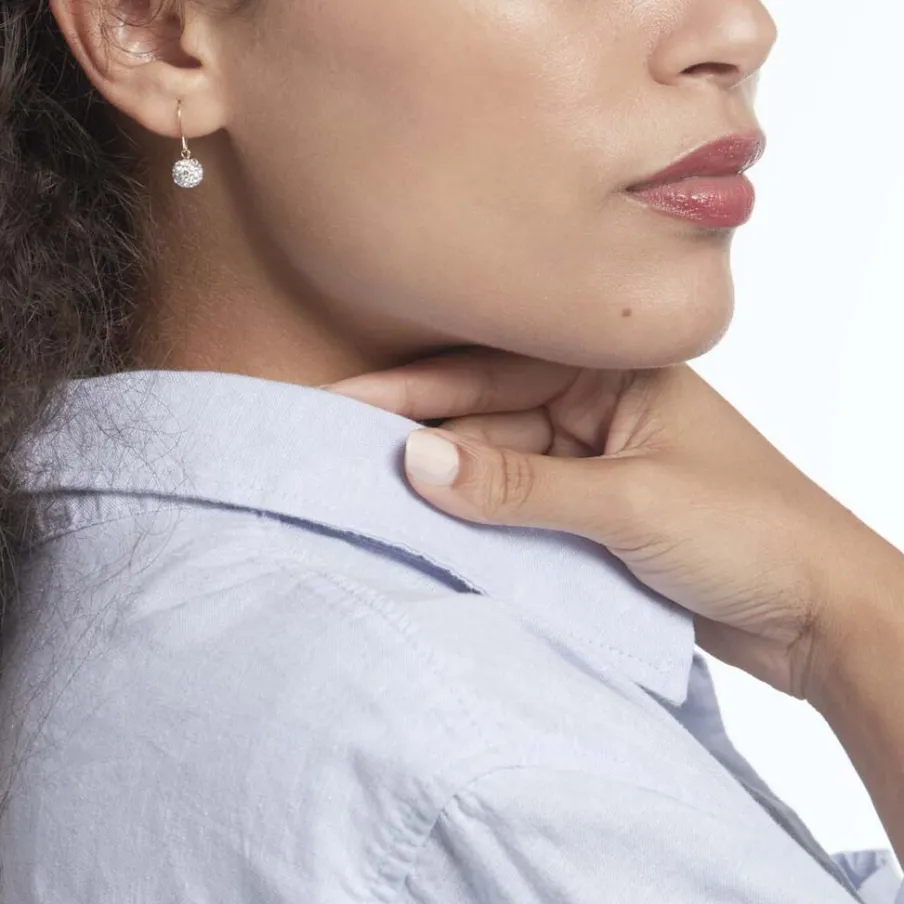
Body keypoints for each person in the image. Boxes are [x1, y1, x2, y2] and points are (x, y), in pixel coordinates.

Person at [0, 0, 901, 897]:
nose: (742, 30)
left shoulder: (106, 604)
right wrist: (858, 612)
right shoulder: (479, 766)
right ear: (153, 31)